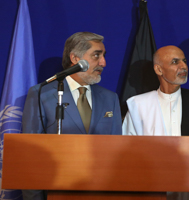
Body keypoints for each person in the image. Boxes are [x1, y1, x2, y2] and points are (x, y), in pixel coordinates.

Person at [21, 32, 123, 200]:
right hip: (56, 190)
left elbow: (117, 153)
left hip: (102, 192)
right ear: (75, 58)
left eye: (103, 56)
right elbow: (30, 155)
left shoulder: (110, 98)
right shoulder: (42, 94)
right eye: (96, 55)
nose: (103, 63)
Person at [122, 45, 189, 200]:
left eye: (184, 61)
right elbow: (127, 152)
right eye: (175, 62)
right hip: (151, 190)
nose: (183, 66)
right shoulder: (138, 105)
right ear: (159, 70)